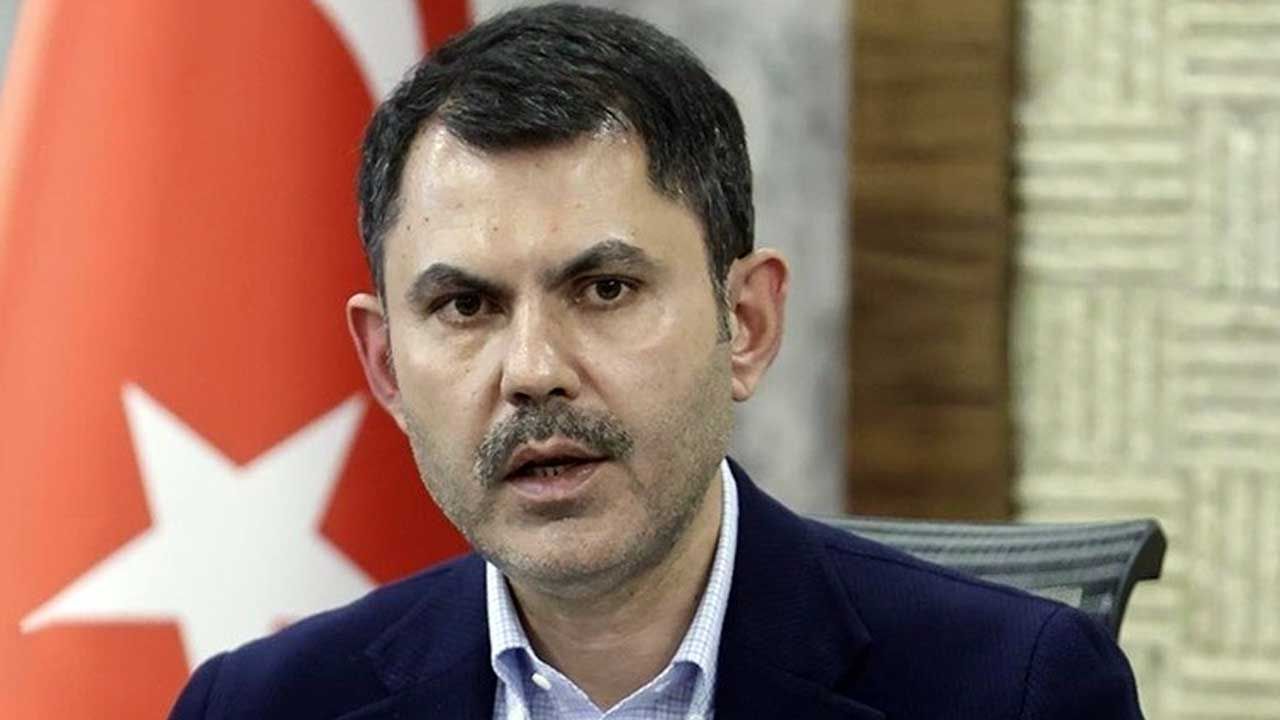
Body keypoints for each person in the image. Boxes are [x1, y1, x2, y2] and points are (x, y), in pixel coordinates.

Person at [169, 4, 1145, 718]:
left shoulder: (1013, 692)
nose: (532, 370)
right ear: (386, 367)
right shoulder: (261, 708)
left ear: (746, 324)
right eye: (466, 306)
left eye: (604, 289)